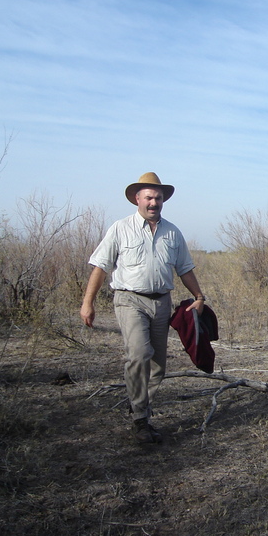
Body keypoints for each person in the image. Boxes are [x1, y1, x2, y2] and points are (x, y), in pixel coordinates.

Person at [80, 172, 206, 443]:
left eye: (158, 198)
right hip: (129, 299)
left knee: (158, 365)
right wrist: (87, 303)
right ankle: (140, 419)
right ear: (137, 199)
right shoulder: (120, 228)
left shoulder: (172, 232)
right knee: (139, 353)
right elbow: (101, 266)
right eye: (148, 197)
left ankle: (139, 404)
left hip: (161, 302)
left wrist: (199, 295)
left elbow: (184, 268)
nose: (153, 202)